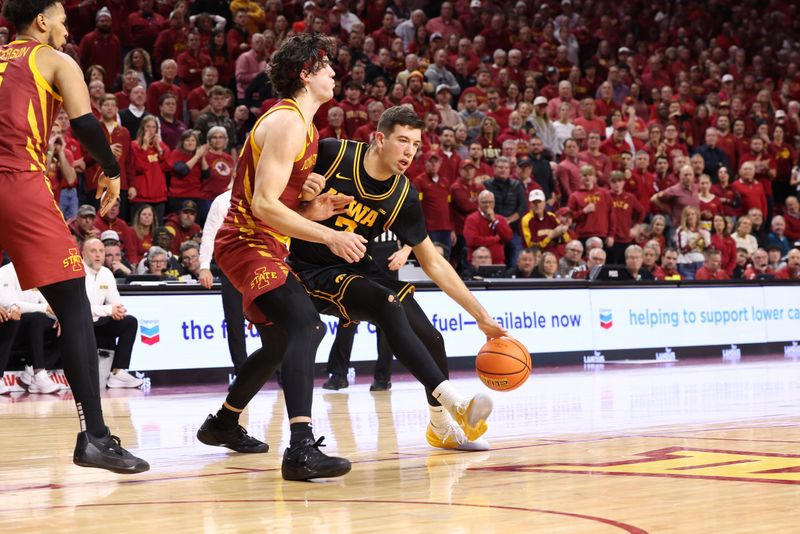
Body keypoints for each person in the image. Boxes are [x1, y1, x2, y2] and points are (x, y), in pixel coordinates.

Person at [197, 34, 367, 481]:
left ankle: (223, 423)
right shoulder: (289, 122)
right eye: (327, 66)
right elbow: (263, 206)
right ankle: (301, 448)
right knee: (306, 326)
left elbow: (278, 205)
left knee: (278, 343)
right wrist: (328, 235)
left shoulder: (306, 128)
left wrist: (313, 210)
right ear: (306, 74)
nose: (335, 73)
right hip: (246, 240)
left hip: (266, 242)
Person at [292, 105, 505, 448]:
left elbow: (433, 263)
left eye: (416, 145)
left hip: (359, 266)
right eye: (403, 141)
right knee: (386, 304)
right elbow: (274, 194)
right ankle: (457, 405)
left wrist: (481, 317)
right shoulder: (333, 153)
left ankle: (440, 427)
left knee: (432, 339)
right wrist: (302, 194)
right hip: (313, 268)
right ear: (379, 138)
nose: (409, 151)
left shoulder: (403, 195)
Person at [0, 0, 147, 473]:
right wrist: (111, 170)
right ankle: (95, 438)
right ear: (41, 21)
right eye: (63, 19)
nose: (67, 28)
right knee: (73, 305)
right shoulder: (55, 59)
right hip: (18, 181)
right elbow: (85, 123)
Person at [81, 239, 142, 388]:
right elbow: (80, 309)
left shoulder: (106, 273)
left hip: (98, 321)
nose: (98, 255)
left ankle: (117, 372)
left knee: (129, 321)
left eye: (101, 251)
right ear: (82, 254)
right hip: (80, 323)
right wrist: (109, 310)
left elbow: (115, 303)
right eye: (93, 251)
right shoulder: (77, 273)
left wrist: (118, 310)